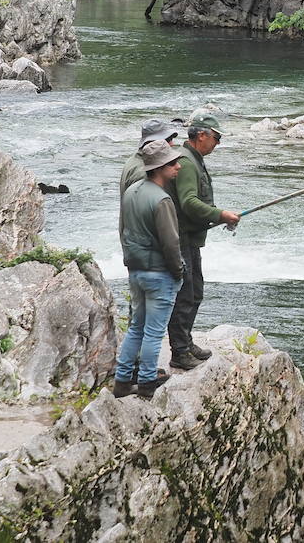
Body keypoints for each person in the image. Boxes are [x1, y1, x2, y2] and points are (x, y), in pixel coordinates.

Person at [168, 110, 241, 370]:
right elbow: (188, 202)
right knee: (185, 295)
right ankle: (179, 352)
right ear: (201, 135)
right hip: (181, 238)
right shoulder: (187, 162)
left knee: (195, 291)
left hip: (189, 237)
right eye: (216, 138)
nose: (218, 144)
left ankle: (185, 342)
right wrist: (220, 214)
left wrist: (217, 216)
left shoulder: (193, 158)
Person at [114, 139, 186, 400]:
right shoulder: (162, 199)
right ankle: (146, 382)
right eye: (172, 163)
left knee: (136, 327)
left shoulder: (131, 192)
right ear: (159, 168)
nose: (178, 166)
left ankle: (122, 381)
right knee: (154, 332)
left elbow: (123, 230)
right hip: (159, 274)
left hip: (135, 270)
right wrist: (178, 271)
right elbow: (171, 242)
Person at [120, 118, 184, 198]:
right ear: (152, 143)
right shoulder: (145, 173)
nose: (172, 144)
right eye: (168, 140)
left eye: (171, 139)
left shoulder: (134, 159)